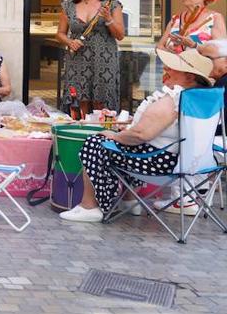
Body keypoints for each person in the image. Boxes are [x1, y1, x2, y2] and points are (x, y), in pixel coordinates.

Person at [61, 48, 216, 222]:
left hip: (161, 164)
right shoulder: (201, 100)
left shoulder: (173, 99)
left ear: (189, 77)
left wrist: (115, 136)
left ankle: (89, 206)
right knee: (126, 142)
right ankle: (129, 200)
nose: (167, 69)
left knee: (96, 142)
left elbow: (141, 134)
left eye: (174, 68)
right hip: (190, 163)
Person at [57, 0, 125, 114]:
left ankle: (100, 133)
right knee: (78, 100)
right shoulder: (68, 6)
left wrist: (108, 19)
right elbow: (60, 33)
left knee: (101, 100)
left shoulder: (111, 4)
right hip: (77, 59)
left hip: (104, 61)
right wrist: (69, 42)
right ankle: (79, 130)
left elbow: (120, 35)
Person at [159, 0, 225, 55]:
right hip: (172, 67)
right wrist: (170, 55)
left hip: (199, 67)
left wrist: (194, 45)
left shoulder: (214, 18)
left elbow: (221, 51)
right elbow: (159, 47)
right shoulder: (175, 19)